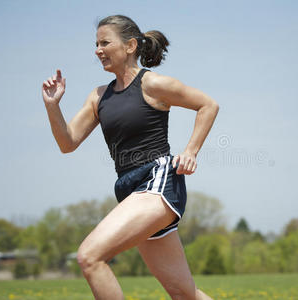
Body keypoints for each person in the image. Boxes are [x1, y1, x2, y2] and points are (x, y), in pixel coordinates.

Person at [41, 15, 219, 300]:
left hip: (157, 182)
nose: (98, 49)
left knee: (90, 256)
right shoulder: (99, 97)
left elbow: (207, 104)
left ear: (130, 46)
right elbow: (68, 142)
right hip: (129, 189)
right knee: (185, 294)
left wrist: (191, 151)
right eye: (96, 44)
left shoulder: (152, 84)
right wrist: (52, 106)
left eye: (105, 43)